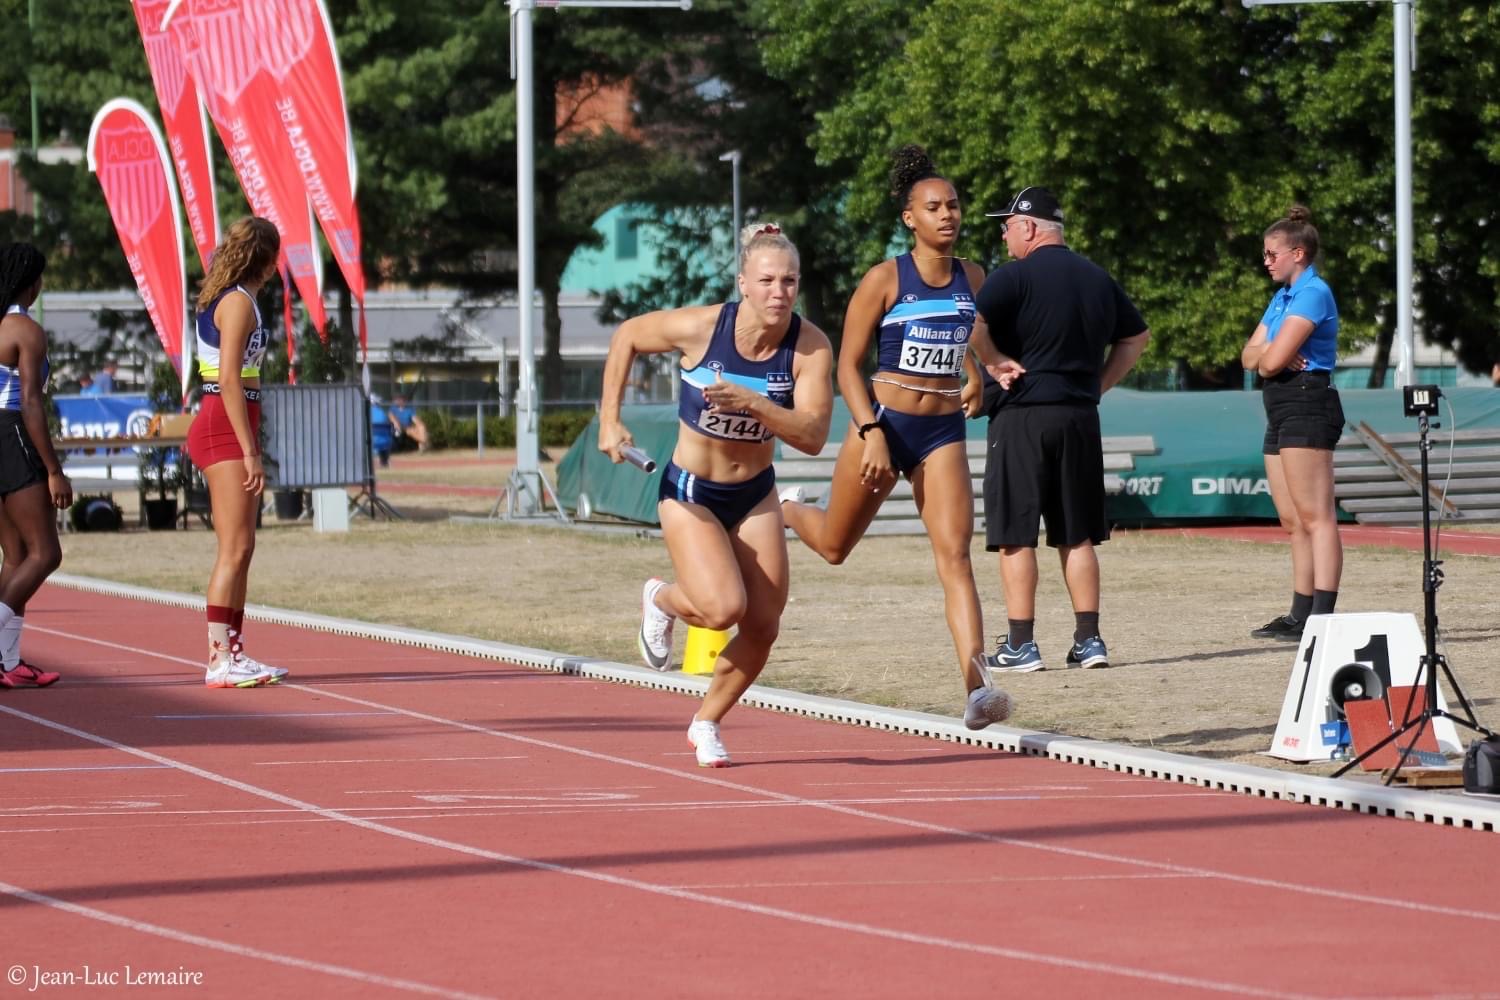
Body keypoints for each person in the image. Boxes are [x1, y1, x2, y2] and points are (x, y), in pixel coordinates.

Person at [779, 144, 1017, 731]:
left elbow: (967, 334)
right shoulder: (886, 279)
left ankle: (977, 687)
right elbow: (846, 366)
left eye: (955, 206)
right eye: (934, 207)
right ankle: (787, 510)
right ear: (910, 218)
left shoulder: (975, 276)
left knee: (956, 556)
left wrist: (978, 374)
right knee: (835, 548)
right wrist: (870, 430)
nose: (948, 215)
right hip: (884, 423)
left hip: (942, 433)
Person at [598, 222, 834, 767]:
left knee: (763, 624)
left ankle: (706, 722)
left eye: (790, 282)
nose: (779, 293)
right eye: (768, 280)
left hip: (755, 494)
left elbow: (813, 435)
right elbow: (628, 335)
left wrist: (754, 403)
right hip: (692, 491)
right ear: (743, 284)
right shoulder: (705, 328)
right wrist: (610, 420)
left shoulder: (810, 347)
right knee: (723, 607)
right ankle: (661, 598)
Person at [976, 186, 1150, 672]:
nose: (1004, 234)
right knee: (1077, 535)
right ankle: (1089, 640)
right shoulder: (1097, 278)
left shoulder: (1013, 276)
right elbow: (1136, 337)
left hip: (1022, 413)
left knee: (1015, 534)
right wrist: (1098, 385)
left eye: (1007, 225)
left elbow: (969, 319)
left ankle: (1021, 645)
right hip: (1079, 416)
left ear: (1029, 227)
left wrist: (992, 362)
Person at [186, 217, 289, 688]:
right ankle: (218, 658)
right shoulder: (236, 303)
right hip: (223, 426)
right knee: (234, 548)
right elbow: (228, 378)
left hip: (234, 422)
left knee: (244, 547)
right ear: (265, 259)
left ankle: (233, 650)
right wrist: (249, 451)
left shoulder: (230, 297)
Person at [1241, 204, 1343, 641]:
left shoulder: (1313, 293)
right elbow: (1249, 357)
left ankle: (1322, 616)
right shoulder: (1281, 297)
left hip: (1307, 401)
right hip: (1280, 404)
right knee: (1292, 519)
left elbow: (1268, 362)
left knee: (1317, 516)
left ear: (1297, 253)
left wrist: (1269, 357)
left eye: (1271, 254)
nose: (1266, 262)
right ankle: (1299, 615)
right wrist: (1269, 357)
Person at [0, 243, 72, 689]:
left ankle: (7, 662)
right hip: (11, 434)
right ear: (32, 282)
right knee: (46, 554)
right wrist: (53, 469)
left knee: (16, 558)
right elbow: (29, 401)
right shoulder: (25, 329)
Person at [369, 394, 395, 468]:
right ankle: (384, 462)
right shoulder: (382, 412)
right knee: (382, 441)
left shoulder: (364, 411)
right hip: (385, 441)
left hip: (369, 441)